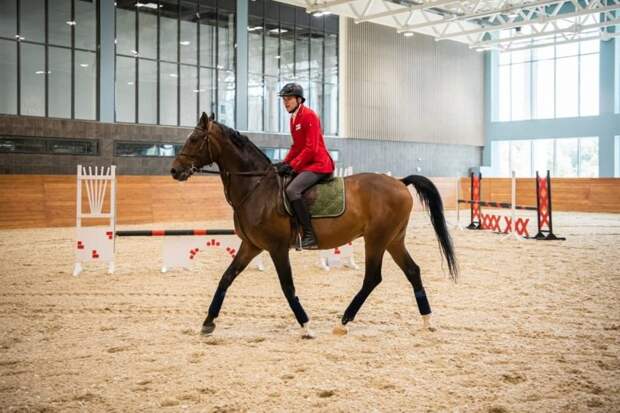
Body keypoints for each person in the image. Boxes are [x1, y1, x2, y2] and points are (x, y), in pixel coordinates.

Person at [274, 83, 334, 249]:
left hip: (319, 164)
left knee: (292, 190)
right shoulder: (293, 119)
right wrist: (284, 163)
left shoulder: (309, 116)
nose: (286, 102)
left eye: (289, 99)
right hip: (306, 163)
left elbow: (311, 148)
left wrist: (293, 166)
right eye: (284, 100)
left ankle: (309, 234)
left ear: (299, 99)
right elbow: (296, 147)